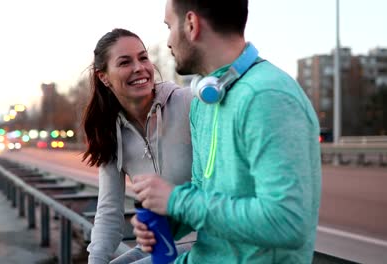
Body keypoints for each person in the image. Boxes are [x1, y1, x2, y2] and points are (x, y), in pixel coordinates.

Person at [131, 0, 322, 263]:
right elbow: (202, 193)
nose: (168, 42)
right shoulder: (204, 100)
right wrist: (168, 219)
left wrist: (176, 201)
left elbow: (287, 222)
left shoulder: (268, 96)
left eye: (169, 26)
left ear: (191, 24)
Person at [82, 28, 194, 264]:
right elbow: (109, 211)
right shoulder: (110, 131)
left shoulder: (188, 104)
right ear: (104, 77)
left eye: (143, 57)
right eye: (125, 62)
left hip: (206, 238)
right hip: (162, 243)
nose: (139, 68)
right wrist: (95, 259)